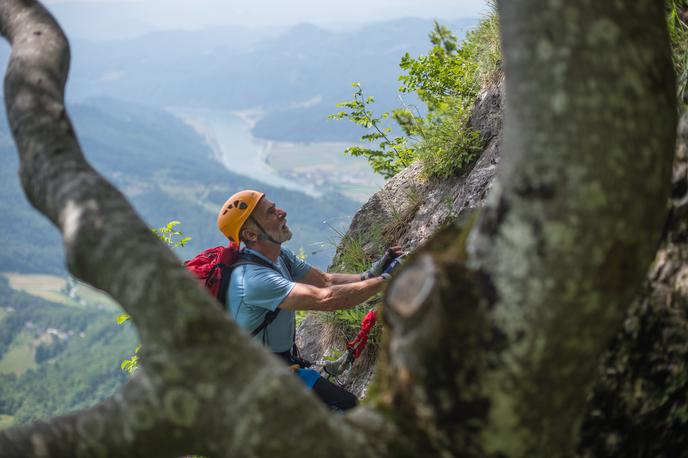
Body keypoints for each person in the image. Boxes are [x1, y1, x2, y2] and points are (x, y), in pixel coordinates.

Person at [217, 189, 401, 411]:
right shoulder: (253, 280)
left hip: (278, 366)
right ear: (251, 235)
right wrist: (387, 280)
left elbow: (324, 280)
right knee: (346, 409)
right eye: (271, 212)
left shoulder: (279, 257)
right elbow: (326, 298)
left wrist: (370, 275)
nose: (282, 213)